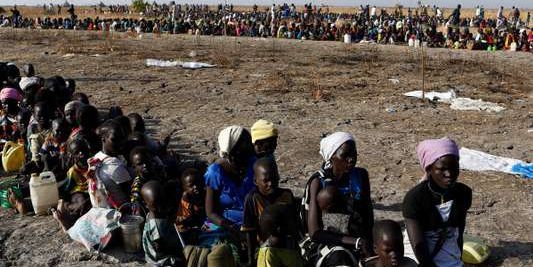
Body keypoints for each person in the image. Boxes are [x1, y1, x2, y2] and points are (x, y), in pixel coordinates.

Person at [301, 132, 374, 265]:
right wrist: (355, 242)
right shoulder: (318, 182)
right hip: (328, 241)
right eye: (345, 155)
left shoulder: (360, 175)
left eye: (354, 154)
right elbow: (314, 233)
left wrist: (368, 243)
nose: (351, 159)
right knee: (339, 259)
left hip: (359, 237)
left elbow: (368, 217)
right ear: (331, 157)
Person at [403, 137, 472, 267]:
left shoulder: (464, 193)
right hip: (419, 253)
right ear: (429, 169)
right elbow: (418, 245)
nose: (449, 174)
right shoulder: (415, 198)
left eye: (453, 167)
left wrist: (459, 259)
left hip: (448, 251)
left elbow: (458, 234)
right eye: (442, 169)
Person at [203, 125, 255, 262]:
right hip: (224, 224)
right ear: (233, 149)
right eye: (246, 143)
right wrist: (233, 229)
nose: (251, 146)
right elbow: (211, 212)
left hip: (252, 224)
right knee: (221, 255)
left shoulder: (254, 165)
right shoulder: (215, 172)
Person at [242, 157, 297, 266]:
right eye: (265, 181)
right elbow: (250, 231)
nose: (270, 184)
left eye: (274, 178)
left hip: (287, 247)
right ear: (255, 181)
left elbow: (293, 225)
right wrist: (251, 259)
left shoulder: (286, 195)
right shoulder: (252, 199)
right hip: (264, 248)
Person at [86, 120, 132, 209]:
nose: (121, 143)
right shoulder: (115, 167)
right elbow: (130, 194)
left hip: (98, 209)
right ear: (103, 139)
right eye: (114, 139)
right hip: (120, 212)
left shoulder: (96, 158)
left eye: (122, 138)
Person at [142, 180, 183, 266]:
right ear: (146, 205)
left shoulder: (155, 212)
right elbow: (160, 248)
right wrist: (178, 251)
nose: (160, 208)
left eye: (162, 203)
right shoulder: (155, 225)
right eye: (156, 206)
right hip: (158, 258)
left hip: (162, 243)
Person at [175, 168, 205, 243]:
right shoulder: (186, 198)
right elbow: (184, 219)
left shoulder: (206, 193)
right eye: (191, 185)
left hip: (205, 223)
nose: (196, 187)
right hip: (191, 227)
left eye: (198, 183)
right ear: (184, 187)